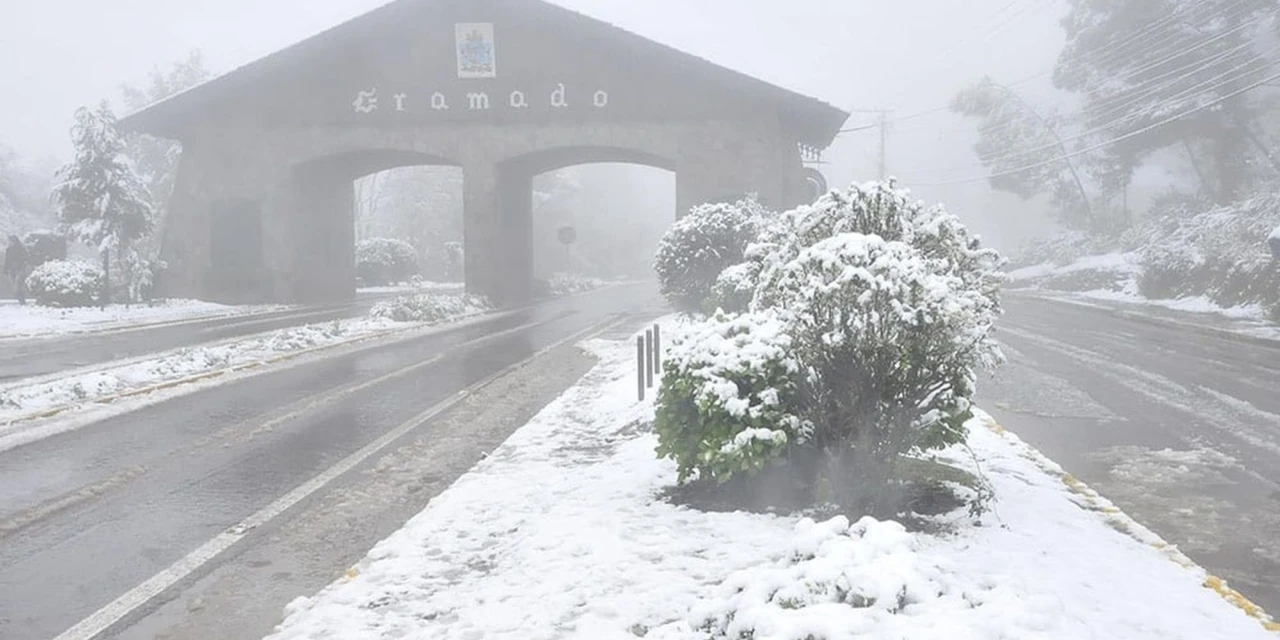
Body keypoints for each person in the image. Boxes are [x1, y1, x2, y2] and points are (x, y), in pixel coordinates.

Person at [4, 234, 30, 305]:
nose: (9, 242)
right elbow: (7, 260)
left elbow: (25, 258)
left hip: (20, 269)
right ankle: (21, 300)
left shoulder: (20, 248)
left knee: (17, 285)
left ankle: (22, 301)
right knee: (15, 286)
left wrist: (23, 265)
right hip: (11, 270)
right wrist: (5, 269)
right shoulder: (8, 250)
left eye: (10, 241)